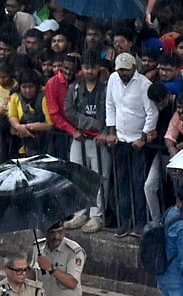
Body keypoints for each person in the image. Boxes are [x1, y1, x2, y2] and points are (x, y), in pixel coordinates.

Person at [105, 52, 158, 238]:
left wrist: (143, 138)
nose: (122, 74)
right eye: (120, 70)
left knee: (138, 183)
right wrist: (111, 133)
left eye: (126, 70)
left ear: (134, 68)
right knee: (122, 183)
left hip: (137, 143)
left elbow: (151, 114)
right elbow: (110, 105)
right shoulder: (113, 79)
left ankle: (140, 222)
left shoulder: (144, 84)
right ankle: (124, 221)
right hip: (120, 140)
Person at [64, 50, 110, 234]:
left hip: (100, 140)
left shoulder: (105, 88)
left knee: (99, 177)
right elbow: (69, 110)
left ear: (99, 68)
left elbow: (110, 112)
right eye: (85, 67)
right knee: (78, 175)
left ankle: (97, 215)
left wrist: (103, 130)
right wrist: (88, 124)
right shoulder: (75, 87)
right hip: (80, 136)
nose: (89, 71)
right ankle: (80, 212)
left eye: (92, 67)